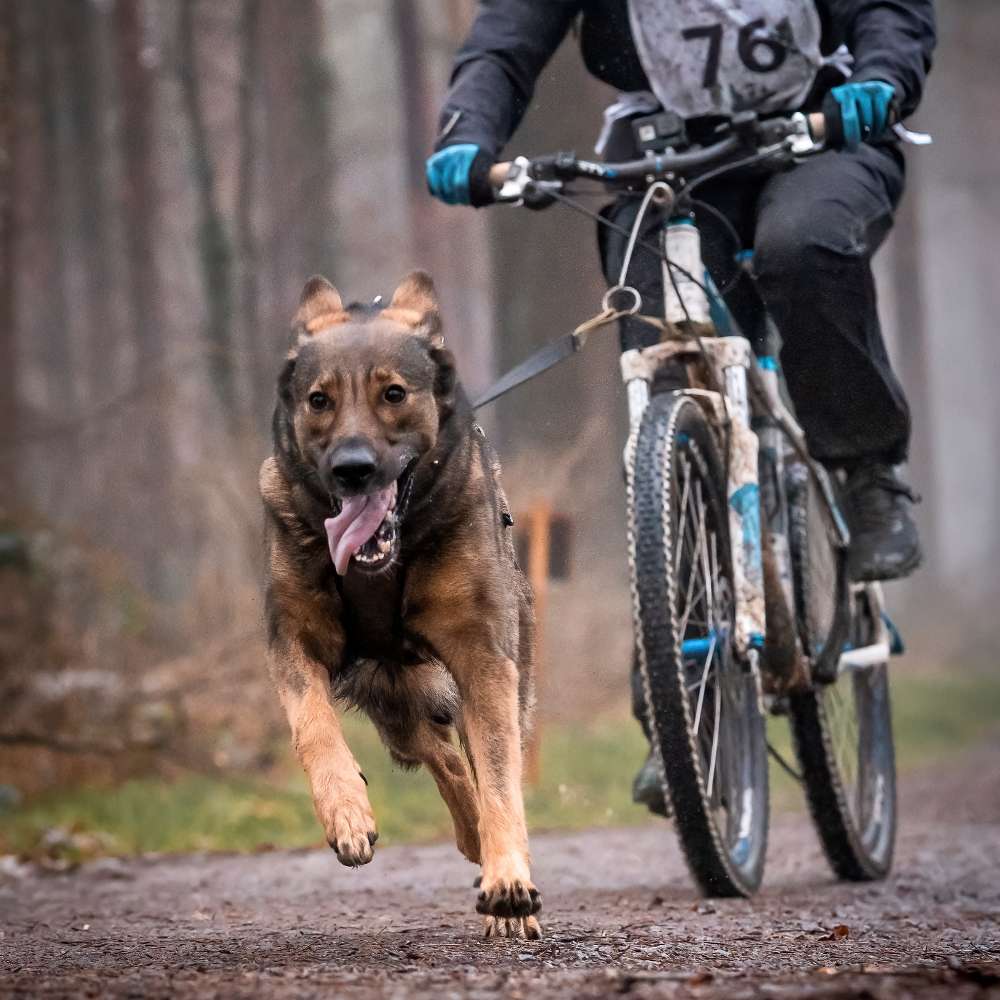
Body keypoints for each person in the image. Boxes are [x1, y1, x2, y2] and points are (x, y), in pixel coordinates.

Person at [426, 0, 934, 814]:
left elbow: (888, 11)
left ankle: (868, 470)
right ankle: (680, 717)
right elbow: (507, 37)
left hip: (820, 127)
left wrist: (882, 76)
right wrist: (465, 132)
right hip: (666, 150)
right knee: (665, 377)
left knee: (801, 248)